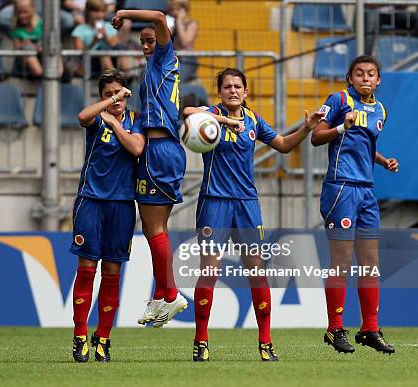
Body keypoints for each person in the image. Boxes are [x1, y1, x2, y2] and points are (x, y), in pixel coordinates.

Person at [183, 68, 324, 361]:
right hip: (214, 202)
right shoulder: (209, 115)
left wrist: (307, 128)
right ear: (219, 92)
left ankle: (265, 342)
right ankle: (201, 341)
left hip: (247, 205)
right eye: (227, 86)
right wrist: (222, 120)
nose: (233, 90)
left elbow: (283, 146)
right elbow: (187, 111)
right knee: (209, 271)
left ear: (246, 92)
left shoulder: (254, 120)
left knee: (257, 272)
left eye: (238, 86)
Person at [311, 55, 397, 355]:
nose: (365, 78)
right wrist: (340, 128)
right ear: (350, 78)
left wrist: (382, 160)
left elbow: (365, 145)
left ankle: (369, 328)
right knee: (342, 261)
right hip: (341, 189)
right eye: (359, 74)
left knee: (371, 263)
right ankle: (334, 329)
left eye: (371, 74)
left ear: (378, 80)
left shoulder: (380, 110)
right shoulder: (338, 100)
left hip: (366, 192)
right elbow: (316, 136)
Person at [111, 8, 187, 328]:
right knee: (155, 227)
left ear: (163, 40)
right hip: (157, 148)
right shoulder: (152, 70)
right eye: (142, 42)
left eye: (151, 40)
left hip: (161, 150)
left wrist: (124, 12)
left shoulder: (166, 57)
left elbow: (158, 15)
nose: (146, 46)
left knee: (153, 228)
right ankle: (161, 294)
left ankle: (171, 295)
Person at [70, 69, 145, 362]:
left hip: (122, 205)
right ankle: (79, 335)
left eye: (119, 93)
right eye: (107, 94)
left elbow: (137, 147)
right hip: (91, 201)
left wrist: (116, 124)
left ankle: (103, 337)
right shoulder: (96, 118)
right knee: (87, 268)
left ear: (127, 95)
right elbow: (81, 116)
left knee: (112, 273)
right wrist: (108, 107)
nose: (115, 99)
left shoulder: (136, 121)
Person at [71, 0, 127, 77]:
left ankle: (126, 72)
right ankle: (113, 76)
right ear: (88, 12)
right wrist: (94, 41)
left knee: (120, 46)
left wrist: (105, 36)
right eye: (95, 11)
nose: (99, 15)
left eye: (102, 11)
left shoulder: (109, 26)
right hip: (91, 62)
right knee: (101, 47)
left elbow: (115, 45)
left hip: (111, 58)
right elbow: (80, 53)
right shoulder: (80, 29)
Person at [167, 0, 198, 82]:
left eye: (177, 9)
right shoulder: (170, 24)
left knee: (176, 80)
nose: (174, 13)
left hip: (187, 60)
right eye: (172, 10)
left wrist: (179, 22)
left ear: (184, 10)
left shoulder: (192, 23)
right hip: (172, 58)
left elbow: (185, 43)